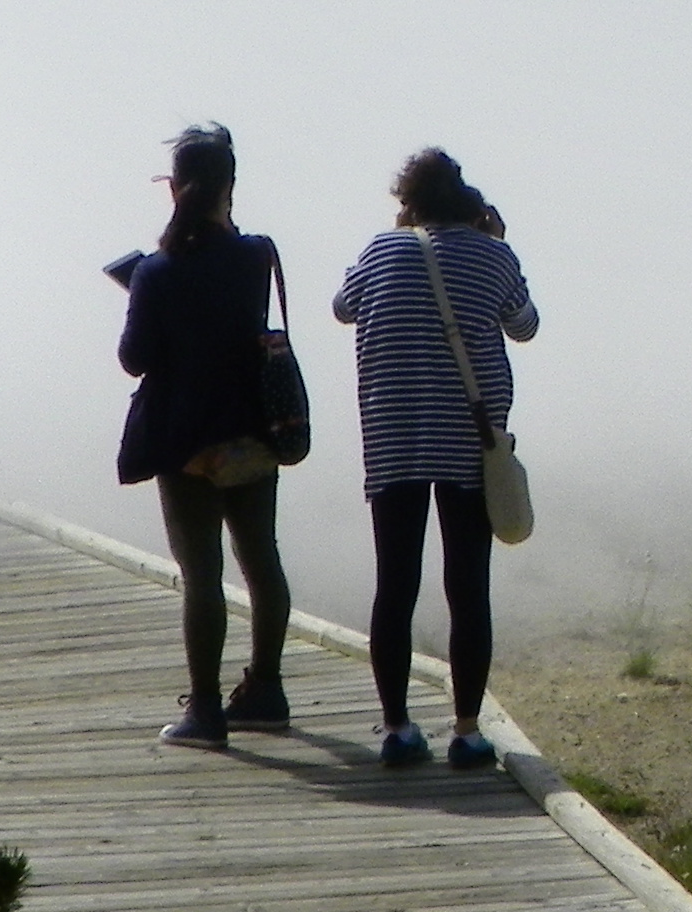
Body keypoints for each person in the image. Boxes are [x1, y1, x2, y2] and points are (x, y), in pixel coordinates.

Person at [334, 145, 538, 770]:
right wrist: (498, 243)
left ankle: (396, 728)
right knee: (466, 586)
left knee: (394, 585)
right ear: (467, 198)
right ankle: (468, 731)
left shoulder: (378, 251)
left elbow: (343, 309)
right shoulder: (494, 253)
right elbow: (525, 326)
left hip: (392, 436)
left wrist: (400, 242)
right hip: (469, 442)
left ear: (408, 200)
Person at [114, 123, 296, 749]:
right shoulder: (255, 256)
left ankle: (207, 712)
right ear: (230, 186)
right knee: (261, 560)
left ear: (174, 188)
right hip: (253, 434)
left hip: (186, 441)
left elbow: (134, 359)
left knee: (202, 576)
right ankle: (266, 691)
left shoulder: (157, 271)